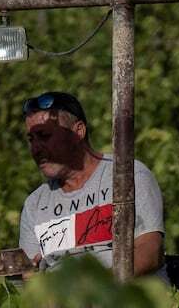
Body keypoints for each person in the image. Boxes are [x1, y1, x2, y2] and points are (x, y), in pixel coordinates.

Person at [17, 91, 167, 281]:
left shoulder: (127, 175)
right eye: (31, 139)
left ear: (78, 131)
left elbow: (150, 251)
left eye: (44, 136)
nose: (36, 148)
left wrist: (95, 291)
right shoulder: (35, 205)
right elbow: (29, 276)